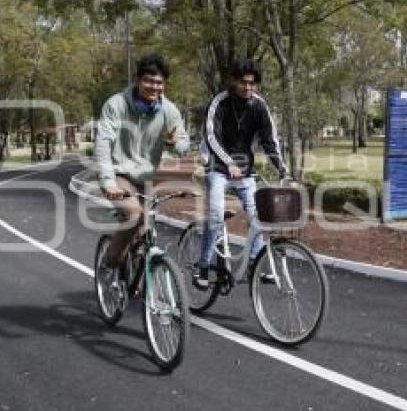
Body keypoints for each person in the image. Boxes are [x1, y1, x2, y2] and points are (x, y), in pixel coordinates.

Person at [195, 58, 289, 288]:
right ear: (233, 81)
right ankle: (204, 266)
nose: (249, 88)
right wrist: (228, 163)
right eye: (244, 83)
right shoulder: (219, 102)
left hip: (245, 170)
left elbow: (270, 141)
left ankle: (255, 265)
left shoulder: (259, 105)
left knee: (258, 217)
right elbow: (211, 137)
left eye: (253, 84)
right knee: (216, 215)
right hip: (217, 167)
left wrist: (284, 169)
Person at [95, 54, 190, 272]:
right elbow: (103, 145)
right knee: (134, 216)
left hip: (145, 179)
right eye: (149, 81)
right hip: (118, 175)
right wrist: (108, 182)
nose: (154, 87)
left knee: (145, 234)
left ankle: (141, 286)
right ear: (137, 80)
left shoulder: (169, 110)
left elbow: (183, 145)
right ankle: (109, 262)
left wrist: (175, 143)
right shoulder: (116, 105)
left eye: (159, 83)